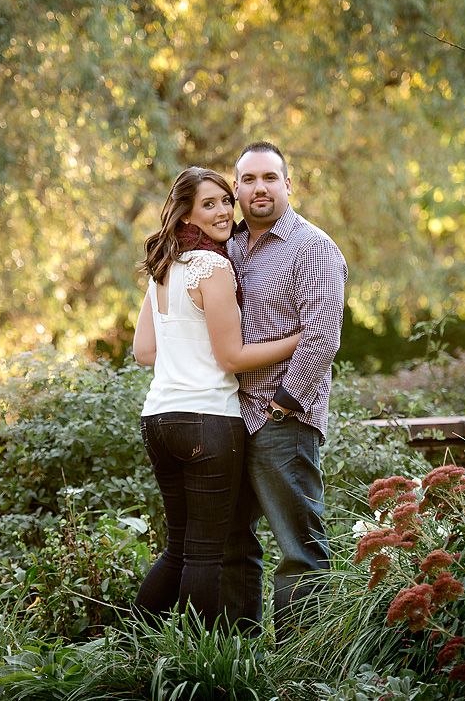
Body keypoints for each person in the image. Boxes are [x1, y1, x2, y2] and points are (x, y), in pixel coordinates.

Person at [131, 166, 301, 630]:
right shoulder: (214, 265)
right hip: (208, 420)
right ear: (187, 212)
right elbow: (231, 357)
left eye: (226, 200)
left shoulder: (163, 267)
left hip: (159, 419)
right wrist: (296, 340)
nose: (225, 210)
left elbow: (143, 351)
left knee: (178, 547)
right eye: (210, 204)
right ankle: (199, 662)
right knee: (205, 554)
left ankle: (130, 646)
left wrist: (185, 346)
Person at [220, 141, 347, 636]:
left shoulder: (313, 246)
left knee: (298, 548)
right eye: (248, 180)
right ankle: (241, 659)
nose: (259, 188)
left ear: (288, 185)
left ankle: (302, 664)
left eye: (269, 178)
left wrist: (281, 405)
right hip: (228, 417)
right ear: (237, 189)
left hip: (284, 421)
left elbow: (322, 335)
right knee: (234, 545)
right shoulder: (223, 247)